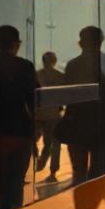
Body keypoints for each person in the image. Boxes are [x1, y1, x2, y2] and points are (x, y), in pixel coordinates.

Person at [61, 26, 105, 209]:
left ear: (81, 42)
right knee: (97, 179)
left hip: (77, 129)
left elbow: (67, 95)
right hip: (104, 130)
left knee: (80, 177)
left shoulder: (73, 65)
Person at [0, 26, 36, 209]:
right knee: (16, 179)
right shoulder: (24, 66)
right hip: (19, 131)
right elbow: (34, 99)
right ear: (15, 44)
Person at [35, 51, 65, 183]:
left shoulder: (36, 74)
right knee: (54, 143)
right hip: (53, 115)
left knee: (34, 140)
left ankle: (39, 160)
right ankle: (53, 171)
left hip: (38, 115)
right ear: (55, 61)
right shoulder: (60, 76)